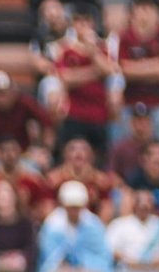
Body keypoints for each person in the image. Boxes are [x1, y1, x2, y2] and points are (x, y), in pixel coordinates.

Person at [48, 8, 117, 161]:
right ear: (73, 25)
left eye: (86, 21)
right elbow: (66, 78)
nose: (83, 26)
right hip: (75, 115)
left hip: (99, 115)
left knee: (100, 159)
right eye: (79, 22)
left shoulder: (102, 50)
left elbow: (108, 70)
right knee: (71, 157)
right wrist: (94, 73)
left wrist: (92, 52)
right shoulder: (66, 52)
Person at [117, 0, 159, 144]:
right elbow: (123, 70)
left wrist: (138, 67)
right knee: (129, 146)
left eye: (150, 10)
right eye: (141, 10)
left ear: (158, 15)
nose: (146, 15)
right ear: (133, 15)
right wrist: (156, 65)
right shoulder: (125, 37)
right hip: (130, 102)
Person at [38, 179, 113, 272]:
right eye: (70, 207)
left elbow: (103, 258)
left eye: (77, 207)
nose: (74, 211)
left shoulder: (94, 226)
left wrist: (83, 265)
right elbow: (47, 259)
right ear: (63, 205)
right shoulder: (52, 225)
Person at [0, 71, 52, 162]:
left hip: (24, 153)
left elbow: (46, 123)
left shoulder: (25, 103)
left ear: (14, 90)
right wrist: (3, 153)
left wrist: (46, 148)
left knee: (44, 159)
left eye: (6, 92)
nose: (3, 98)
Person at [107, 189, 159, 272]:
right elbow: (109, 248)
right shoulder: (119, 224)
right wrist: (127, 259)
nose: (144, 205)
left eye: (148, 202)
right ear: (134, 204)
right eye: (140, 202)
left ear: (153, 205)